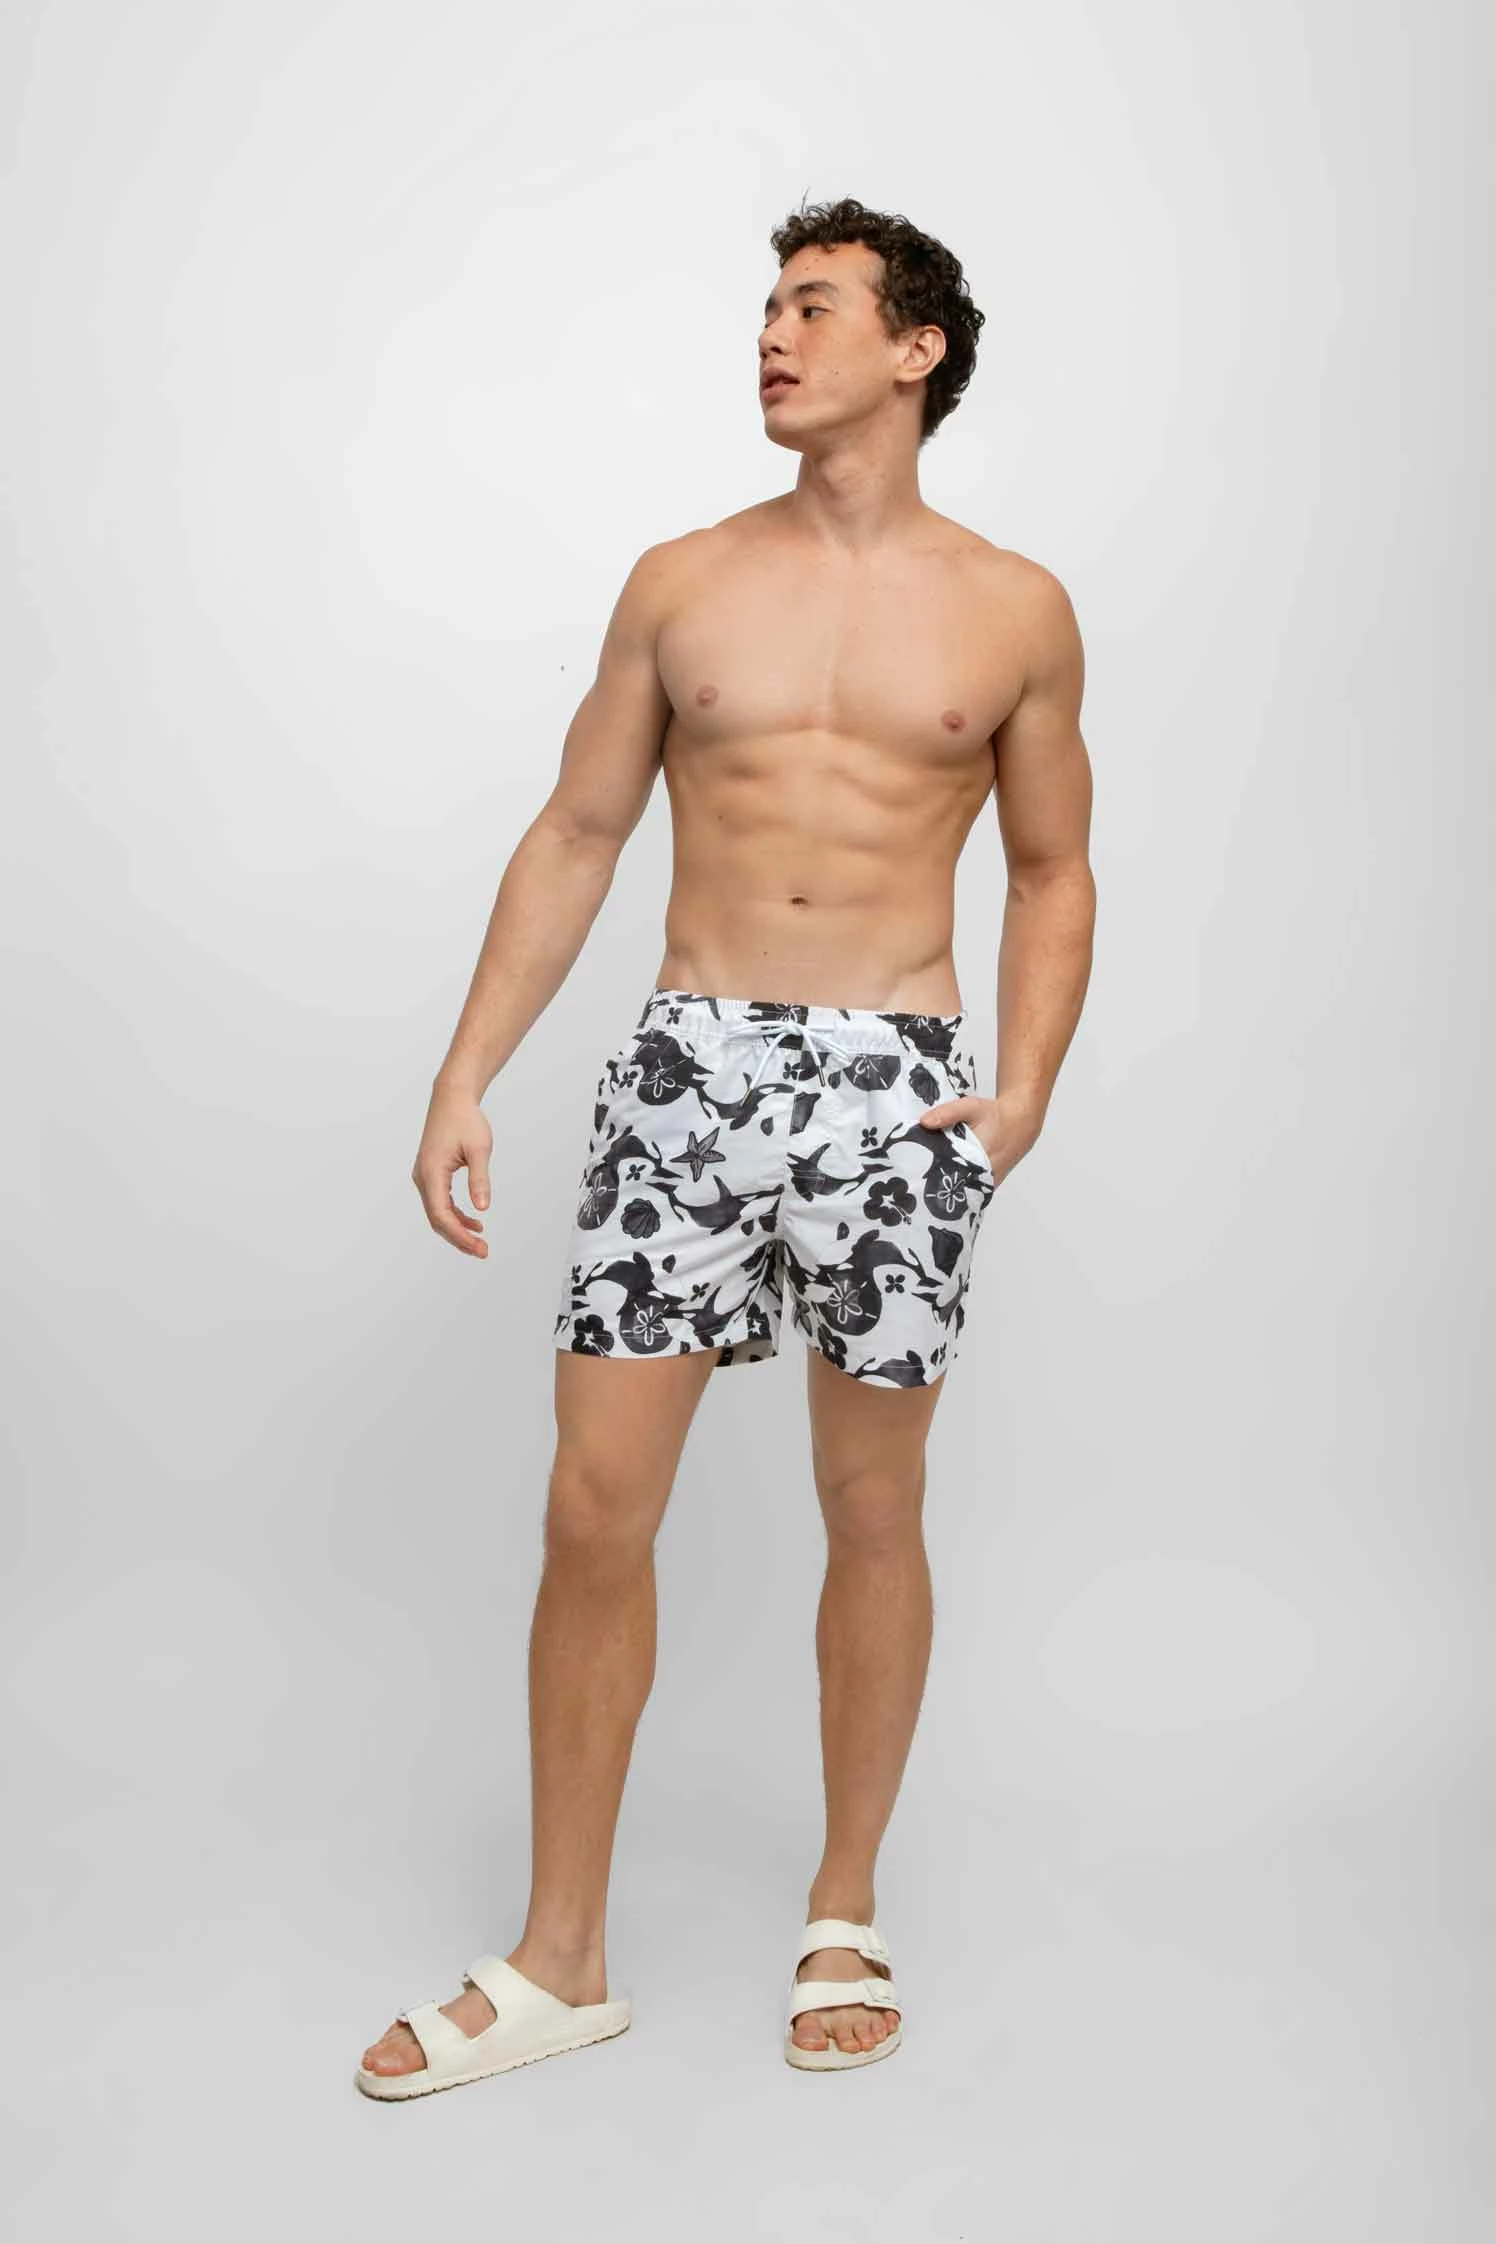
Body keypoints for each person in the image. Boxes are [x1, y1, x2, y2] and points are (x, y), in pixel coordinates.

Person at [356, 194, 1095, 2096]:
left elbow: (1050, 867)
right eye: (767, 306)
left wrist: (1019, 1089)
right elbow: (579, 831)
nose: (771, 335)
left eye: (814, 306)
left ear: (917, 348)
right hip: (692, 1069)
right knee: (592, 1507)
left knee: (873, 1505)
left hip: (892, 1086)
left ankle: (843, 1906)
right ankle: (561, 1957)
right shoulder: (682, 580)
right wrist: (466, 1069)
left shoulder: (1015, 608)